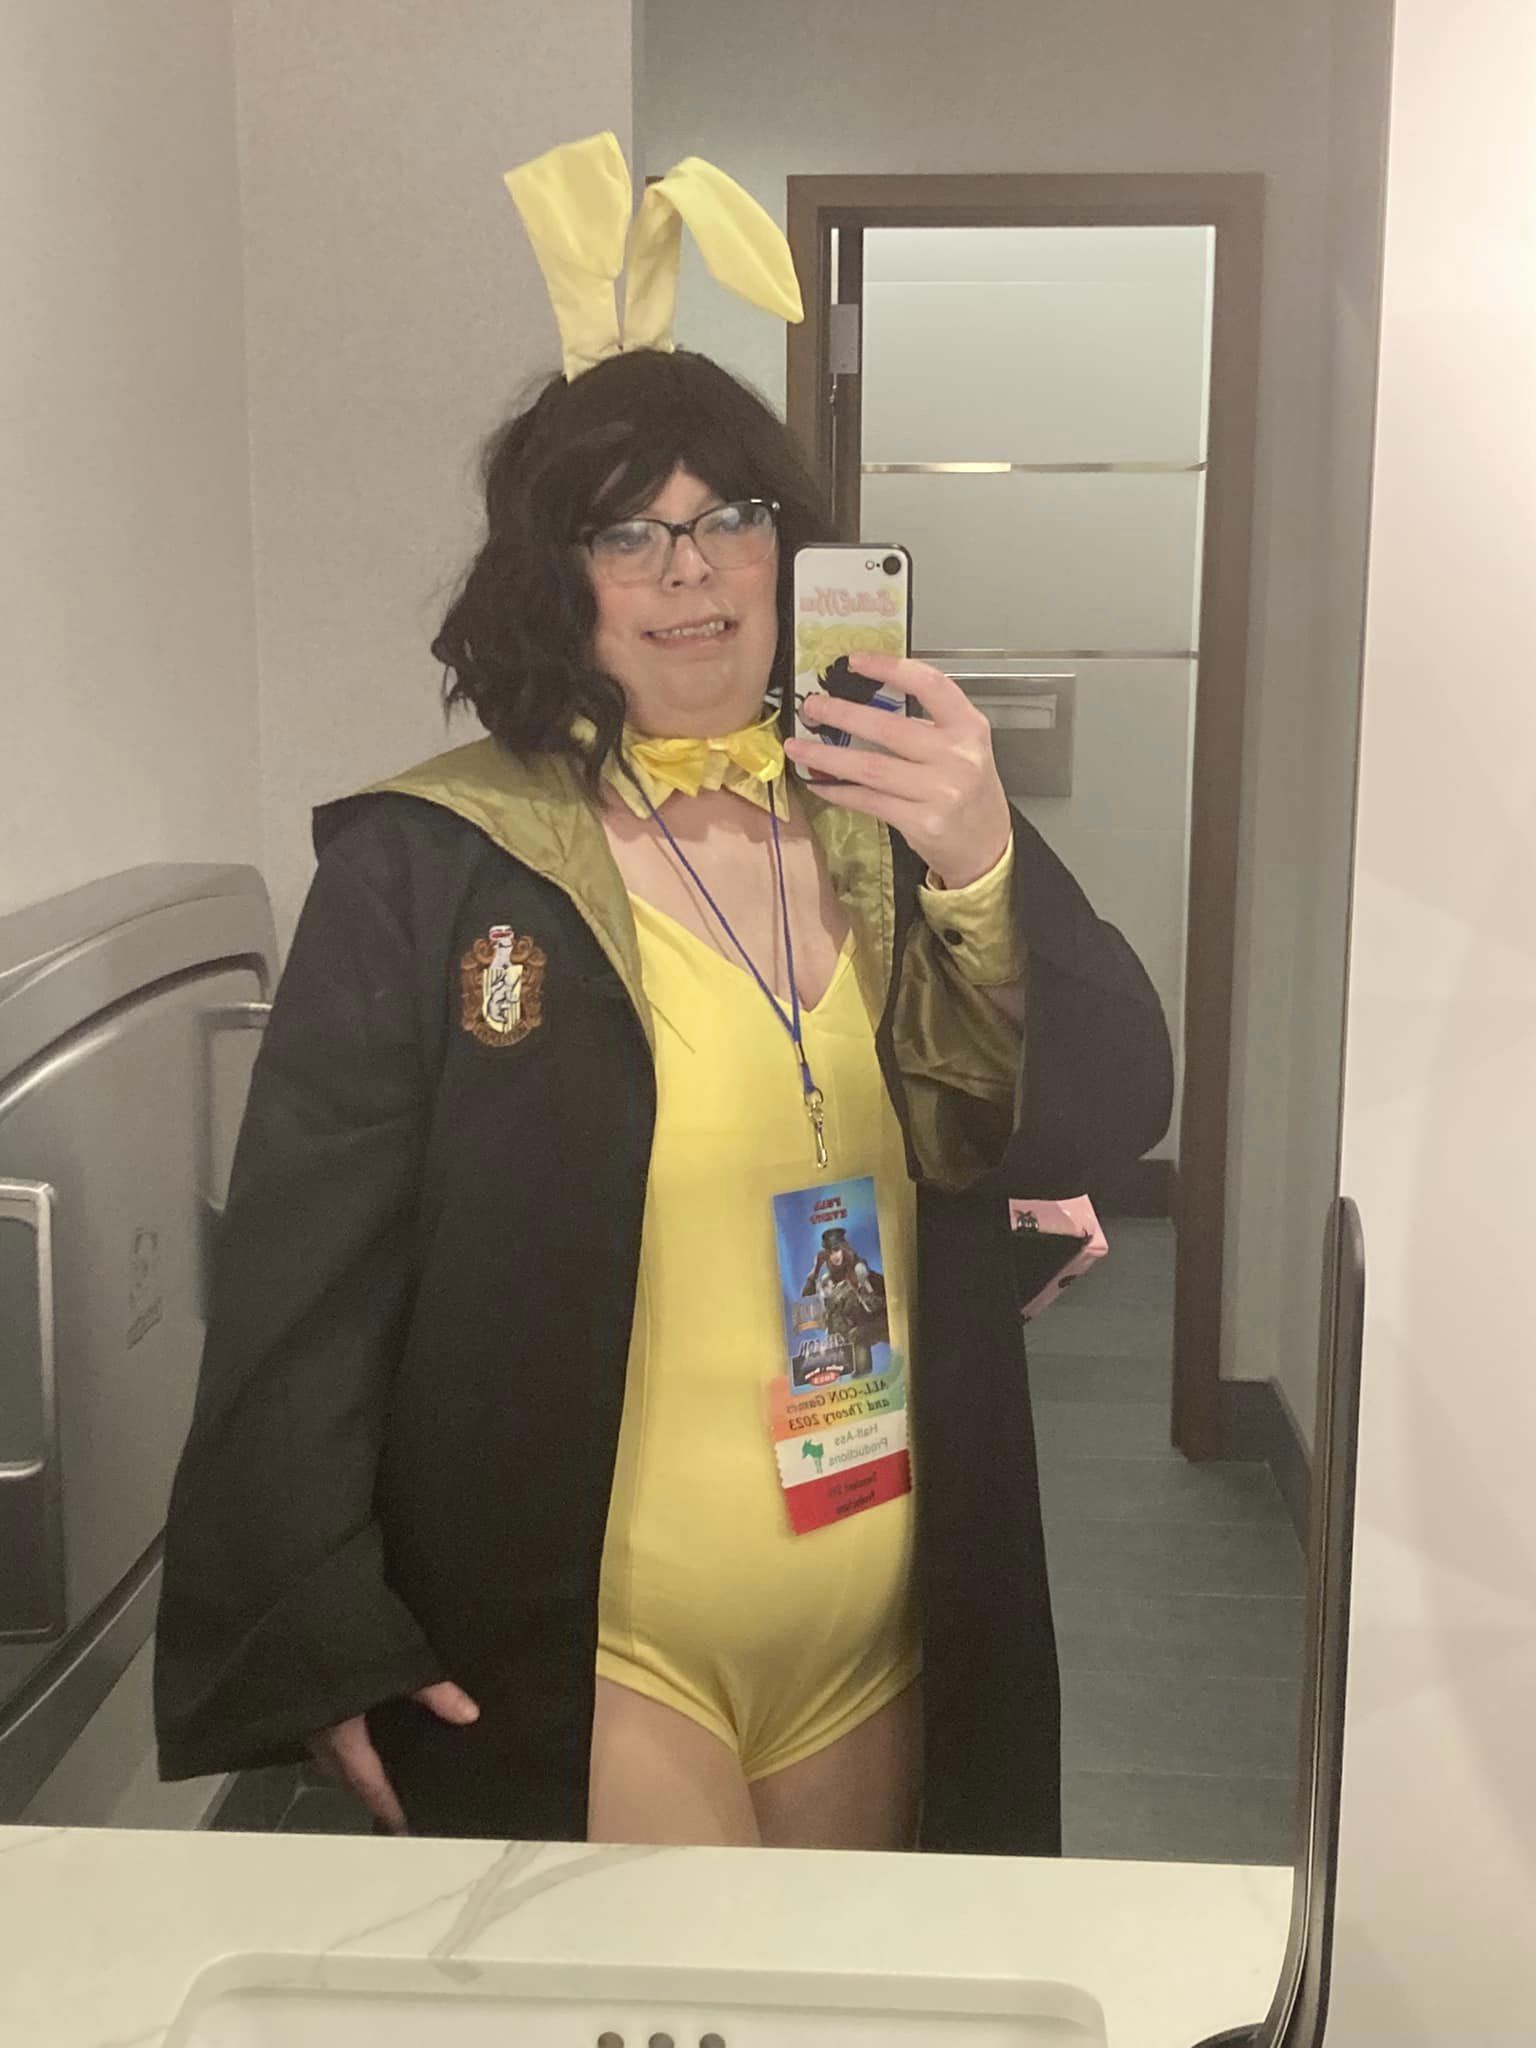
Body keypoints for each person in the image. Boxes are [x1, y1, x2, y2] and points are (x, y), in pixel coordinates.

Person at [154, 138, 1172, 1859]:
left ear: (791, 551)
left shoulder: (891, 821)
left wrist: (985, 853)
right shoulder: (435, 866)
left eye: (729, 521)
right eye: (625, 531)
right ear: (553, 579)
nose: (688, 573)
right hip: (600, 1647)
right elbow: (306, 1270)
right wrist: (314, 1611)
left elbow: (1101, 1111)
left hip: (882, 1616)